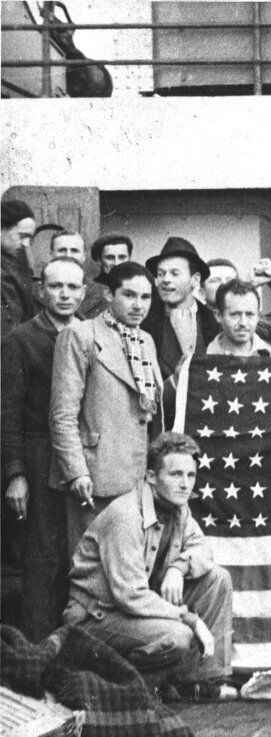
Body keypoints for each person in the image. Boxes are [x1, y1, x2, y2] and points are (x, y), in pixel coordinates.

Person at [63, 432, 238, 701]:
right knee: (178, 636)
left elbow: (204, 550)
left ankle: (198, 682)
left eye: (190, 475)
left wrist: (178, 568)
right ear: (152, 477)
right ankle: (125, 689)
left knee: (217, 579)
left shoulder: (179, 509)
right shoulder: (125, 516)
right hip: (96, 619)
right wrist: (191, 620)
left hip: (134, 614)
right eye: (175, 474)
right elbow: (130, 596)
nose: (185, 484)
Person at [50, 261, 163, 553]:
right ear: (109, 295)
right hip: (95, 476)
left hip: (137, 476)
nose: (139, 305)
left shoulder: (146, 341)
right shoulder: (80, 335)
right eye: (129, 295)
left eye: (146, 297)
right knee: (91, 566)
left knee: (129, 564)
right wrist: (77, 472)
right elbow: (62, 415)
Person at [2, 257, 85, 640]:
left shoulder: (89, 335)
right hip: (38, 457)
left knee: (78, 554)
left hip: (81, 457)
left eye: (72, 287)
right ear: (40, 291)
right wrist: (16, 473)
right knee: (42, 556)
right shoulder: (21, 340)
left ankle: (72, 644)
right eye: (56, 286)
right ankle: (36, 650)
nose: (64, 294)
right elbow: (7, 413)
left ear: (83, 292)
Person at [141, 237, 220, 378]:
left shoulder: (214, 322)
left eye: (174, 273)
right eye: (161, 274)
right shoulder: (143, 320)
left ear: (195, 280)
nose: (165, 280)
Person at [206, 279, 271, 357]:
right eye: (235, 314)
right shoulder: (201, 359)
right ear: (218, 315)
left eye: (250, 314)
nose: (243, 323)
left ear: (258, 316)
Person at [49, 230, 109, 319]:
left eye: (74, 251)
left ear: (84, 256)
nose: (68, 255)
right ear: (51, 254)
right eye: (62, 250)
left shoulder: (103, 294)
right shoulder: (34, 292)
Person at [1, 199, 38, 338]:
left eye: (30, 238)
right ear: (1, 230)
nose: (26, 244)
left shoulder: (18, 260)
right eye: (22, 236)